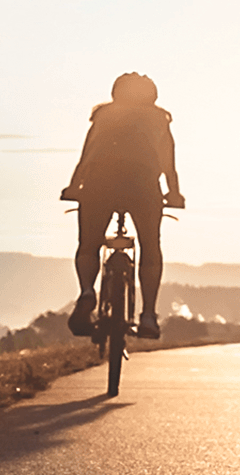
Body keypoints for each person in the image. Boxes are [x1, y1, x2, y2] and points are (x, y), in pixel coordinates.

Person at [60, 72, 184, 341]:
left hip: (98, 183)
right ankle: (149, 315)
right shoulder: (160, 119)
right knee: (151, 247)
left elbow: (88, 154)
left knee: (89, 244)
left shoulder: (103, 115)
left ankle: (86, 292)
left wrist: (74, 187)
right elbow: (168, 162)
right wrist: (174, 193)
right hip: (142, 186)